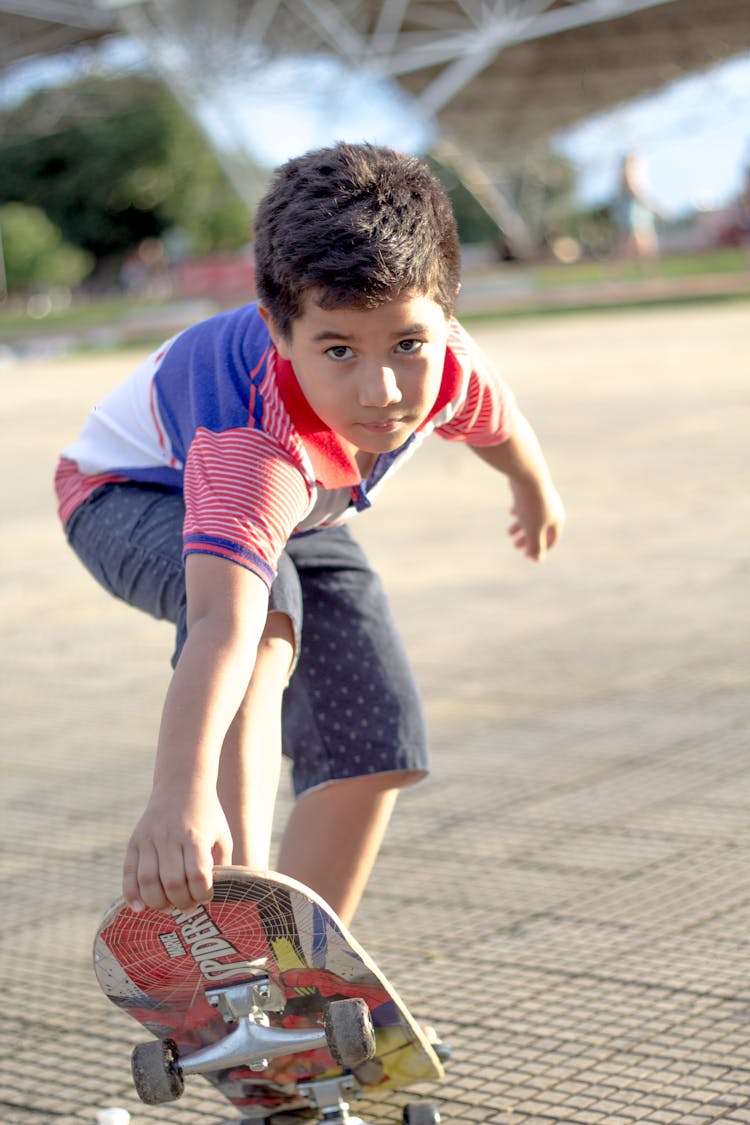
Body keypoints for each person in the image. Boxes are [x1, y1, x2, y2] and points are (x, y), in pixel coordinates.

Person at [55, 142, 565, 927]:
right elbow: (224, 626)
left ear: (446, 315)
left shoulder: (451, 368)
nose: (382, 391)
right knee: (266, 615)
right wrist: (177, 796)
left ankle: (303, 965)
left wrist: (533, 490)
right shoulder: (248, 440)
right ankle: (232, 910)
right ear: (279, 331)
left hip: (294, 516)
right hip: (126, 497)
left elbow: (504, 427)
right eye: (338, 350)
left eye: (408, 345)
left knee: (378, 733)